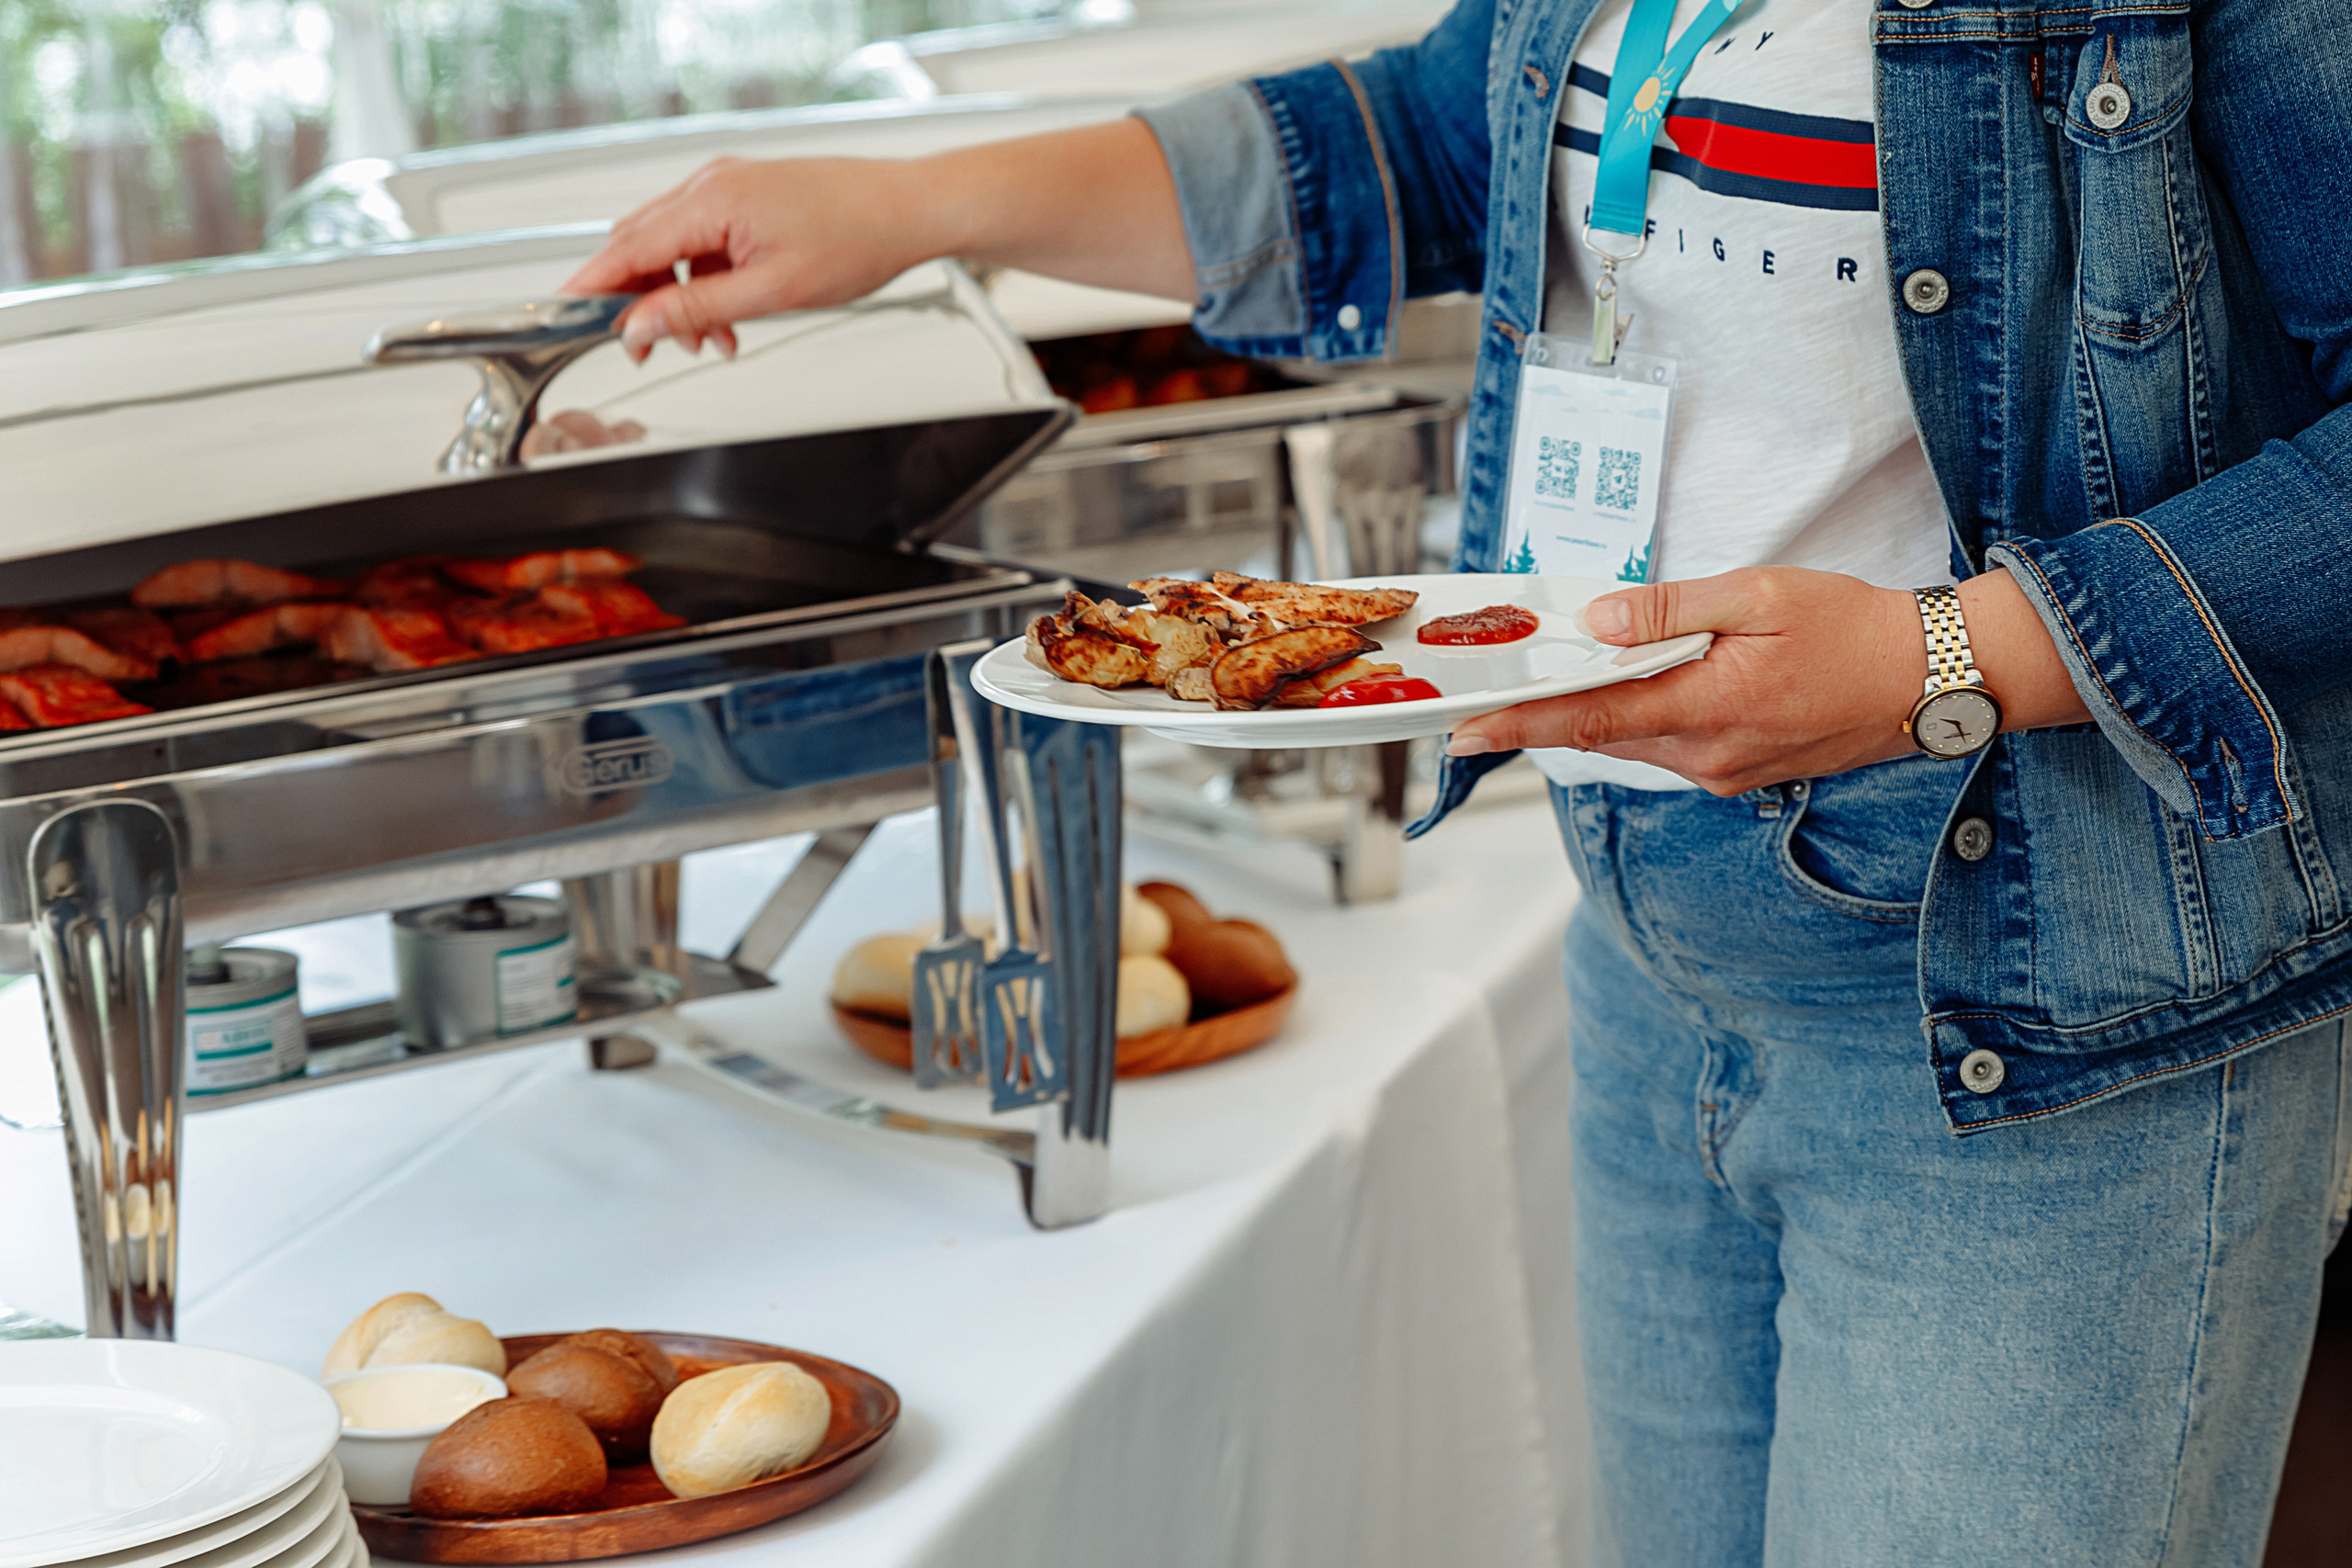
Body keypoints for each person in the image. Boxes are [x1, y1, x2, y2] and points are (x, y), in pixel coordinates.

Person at [567, 1, 2352, 1560]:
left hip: (2032, 996)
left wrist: (1930, 659)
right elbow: (1443, 131)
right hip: (1648, 932)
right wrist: (896, 210)